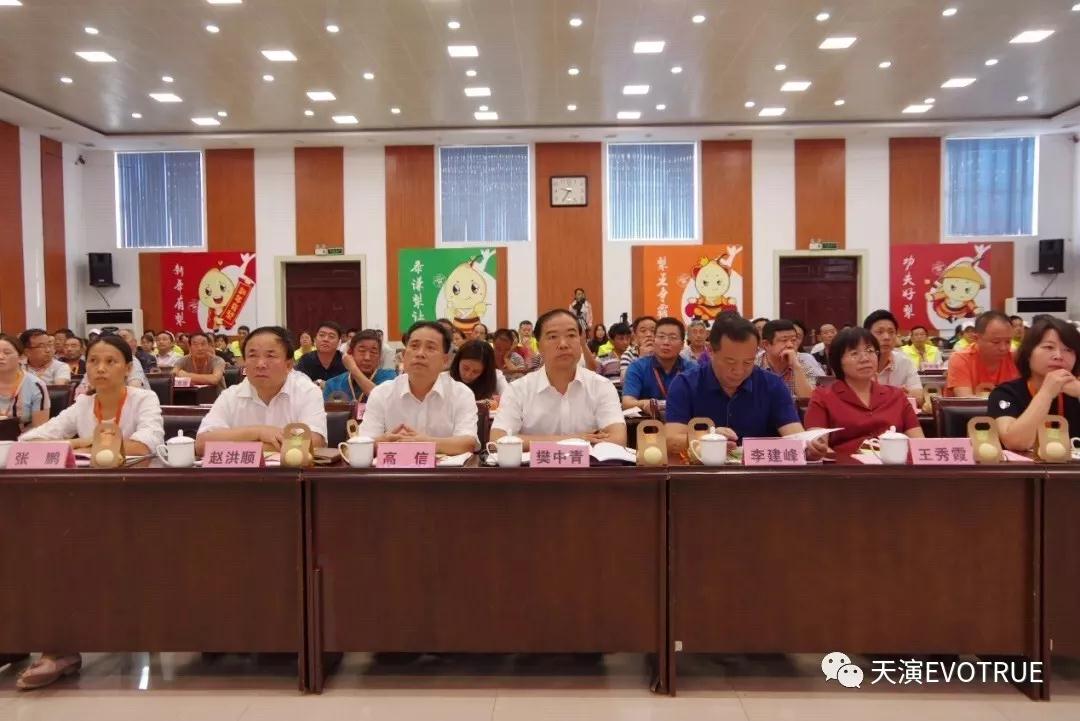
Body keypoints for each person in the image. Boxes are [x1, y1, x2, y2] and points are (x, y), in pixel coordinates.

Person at [14, 335, 165, 691]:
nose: (100, 369)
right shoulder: (82, 405)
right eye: (94, 361)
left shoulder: (143, 399)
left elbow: (146, 443)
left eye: (111, 361)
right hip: (85, 503)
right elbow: (29, 441)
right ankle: (58, 647)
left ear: (128, 368)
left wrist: (91, 441)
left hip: (141, 503)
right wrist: (81, 442)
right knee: (50, 551)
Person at [664, 316, 828, 458]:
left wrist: (810, 447)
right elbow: (670, 440)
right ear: (711, 351)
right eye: (730, 362)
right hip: (703, 475)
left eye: (748, 362)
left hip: (760, 475)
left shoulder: (772, 385)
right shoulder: (685, 384)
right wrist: (709, 438)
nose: (739, 370)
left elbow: (795, 435)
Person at [491, 309, 626, 448]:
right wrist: (574, 439)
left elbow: (618, 438)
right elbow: (497, 439)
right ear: (539, 346)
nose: (563, 344)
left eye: (571, 335)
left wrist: (534, 443)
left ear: (581, 341)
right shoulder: (518, 390)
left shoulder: (601, 386)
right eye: (552, 337)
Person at [196, 326, 327, 455]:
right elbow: (201, 445)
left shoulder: (307, 391)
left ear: (288, 365)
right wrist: (258, 432)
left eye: (270, 356)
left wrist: (239, 447)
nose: (260, 364)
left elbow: (314, 442)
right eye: (252, 355)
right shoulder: (230, 395)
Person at [354, 321, 478, 454]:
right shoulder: (381, 393)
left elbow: (468, 443)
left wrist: (426, 443)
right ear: (404, 355)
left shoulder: (461, 394)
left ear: (445, 360)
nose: (420, 354)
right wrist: (383, 442)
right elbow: (364, 442)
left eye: (430, 348)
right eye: (414, 346)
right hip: (394, 467)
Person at [804, 328, 924, 458]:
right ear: (838, 361)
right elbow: (818, 445)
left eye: (870, 351)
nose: (865, 358)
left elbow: (919, 444)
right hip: (846, 467)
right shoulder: (823, 397)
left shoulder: (897, 396)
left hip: (894, 466)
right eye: (854, 353)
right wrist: (816, 449)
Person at [989, 317, 1080, 452]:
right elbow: (1016, 443)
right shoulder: (1005, 393)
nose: (1059, 356)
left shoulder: (1076, 391)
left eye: (1068, 350)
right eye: (1049, 347)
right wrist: (1046, 393)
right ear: (1028, 354)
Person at [623, 317, 695, 414]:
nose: (666, 342)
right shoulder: (637, 367)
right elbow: (627, 403)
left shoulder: (693, 369)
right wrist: (644, 403)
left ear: (682, 345)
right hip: (648, 421)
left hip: (685, 420)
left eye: (673, 338)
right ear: (654, 340)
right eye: (661, 337)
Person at [945, 311, 1020, 397]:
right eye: (996, 342)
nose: (1003, 348)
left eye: (1008, 342)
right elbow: (965, 400)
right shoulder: (961, 358)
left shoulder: (1015, 357)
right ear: (976, 338)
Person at [863, 309, 923, 404]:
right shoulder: (858, 363)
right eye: (879, 332)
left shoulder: (905, 362)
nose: (886, 337)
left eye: (891, 332)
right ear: (866, 336)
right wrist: (896, 394)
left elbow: (919, 398)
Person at [323, 330, 397, 402]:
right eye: (362, 351)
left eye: (373, 352)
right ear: (350, 353)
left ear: (379, 356)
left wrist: (353, 369)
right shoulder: (333, 384)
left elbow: (382, 400)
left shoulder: (389, 377)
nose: (367, 358)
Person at [755, 319, 820, 400]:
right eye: (784, 340)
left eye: (793, 340)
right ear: (766, 344)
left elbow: (809, 400)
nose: (790, 345)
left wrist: (796, 367)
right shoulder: (753, 364)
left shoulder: (804, 362)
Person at [0, 334, 50, 431]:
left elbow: (40, 429)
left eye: (7, 353)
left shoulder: (36, 385)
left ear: (21, 357)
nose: (1, 357)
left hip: (25, 438)